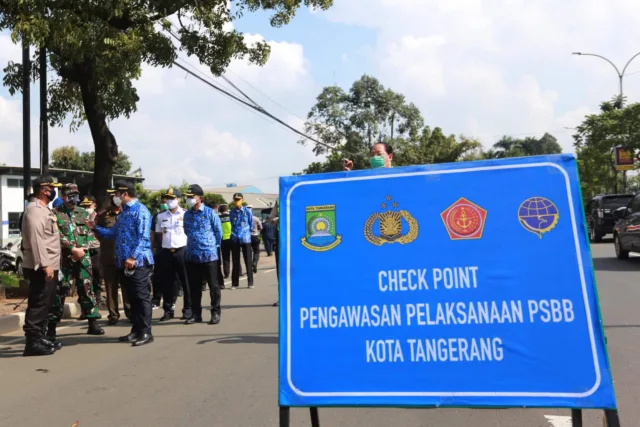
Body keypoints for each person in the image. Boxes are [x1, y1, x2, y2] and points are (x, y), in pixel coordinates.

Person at [90, 180, 155, 346]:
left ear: (125, 194)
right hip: (123, 262)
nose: (115, 197)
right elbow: (114, 233)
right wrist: (95, 228)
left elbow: (144, 238)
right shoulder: (124, 212)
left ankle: (146, 332)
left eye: (116, 194)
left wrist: (133, 257)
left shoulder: (141, 211)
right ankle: (136, 330)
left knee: (141, 298)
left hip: (138, 262)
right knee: (132, 298)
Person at [49, 184, 104, 340]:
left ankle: (92, 322)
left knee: (87, 289)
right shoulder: (55, 214)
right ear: (63, 195)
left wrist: (83, 249)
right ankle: (51, 328)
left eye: (75, 194)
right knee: (60, 291)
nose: (73, 198)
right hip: (64, 259)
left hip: (83, 257)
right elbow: (56, 235)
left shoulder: (83, 213)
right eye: (70, 194)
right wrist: (72, 249)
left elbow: (90, 234)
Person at [21, 176, 62, 356]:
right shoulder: (35, 210)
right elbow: (37, 240)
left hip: (49, 264)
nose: (54, 192)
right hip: (41, 266)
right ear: (45, 190)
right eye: (52, 188)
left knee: (45, 302)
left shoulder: (45, 210)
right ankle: (32, 342)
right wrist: (45, 264)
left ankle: (40, 336)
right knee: (38, 303)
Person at [183, 184, 223, 325]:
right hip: (191, 255)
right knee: (194, 287)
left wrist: (211, 245)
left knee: (213, 286)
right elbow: (186, 231)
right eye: (187, 197)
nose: (188, 199)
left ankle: (215, 312)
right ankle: (196, 314)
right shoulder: (187, 214)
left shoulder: (209, 213)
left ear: (199, 198)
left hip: (209, 255)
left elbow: (219, 232)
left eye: (190, 197)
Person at [155, 188, 190, 322]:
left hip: (182, 251)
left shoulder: (186, 214)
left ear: (179, 200)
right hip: (166, 252)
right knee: (168, 283)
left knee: (186, 282)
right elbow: (158, 234)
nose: (169, 201)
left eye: (172, 198)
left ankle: (187, 309)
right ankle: (168, 310)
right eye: (168, 198)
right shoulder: (161, 216)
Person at [96, 195, 131, 325]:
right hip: (109, 255)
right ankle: (113, 315)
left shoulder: (128, 213)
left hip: (125, 256)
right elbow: (96, 231)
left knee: (127, 286)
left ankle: (130, 312)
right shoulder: (102, 216)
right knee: (111, 287)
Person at [79, 196, 104, 309]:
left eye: (88, 206)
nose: (86, 208)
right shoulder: (79, 217)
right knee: (84, 279)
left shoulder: (99, 218)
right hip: (84, 250)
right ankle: (86, 307)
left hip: (96, 249)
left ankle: (97, 302)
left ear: (94, 205)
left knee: (97, 276)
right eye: (84, 206)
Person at [230, 193, 254, 289]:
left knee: (248, 261)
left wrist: (246, 232)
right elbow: (232, 223)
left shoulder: (247, 211)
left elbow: (251, 224)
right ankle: (235, 283)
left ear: (242, 200)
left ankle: (250, 282)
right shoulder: (232, 212)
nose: (237, 201)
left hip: (246, 238)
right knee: (235, 262)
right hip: (235, 238)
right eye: (235, 199)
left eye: (238, 199)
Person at [150, 201, 168, 307]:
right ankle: (156, 298)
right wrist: (152, 247)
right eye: (163, 201)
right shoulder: (157, 216)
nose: (165, 203)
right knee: (156, 276)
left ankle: (170, 301)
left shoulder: (182, 214)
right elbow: (153, 232)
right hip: (159, 249)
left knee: (171, 277)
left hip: (174, 249)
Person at [269, 199, 280, 307]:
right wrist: (282, 218)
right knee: (281, 270)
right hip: (282, 240)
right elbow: (271, 219)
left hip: (299, 240)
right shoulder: (279, 201)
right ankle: (282, 297)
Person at [218, 204, 234, 278]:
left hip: (223, 239)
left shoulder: (218, 218)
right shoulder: (231, 216)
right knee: (235, 256)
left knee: (225, 257)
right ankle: (238, 271)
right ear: (227, 209)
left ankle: (226, 273)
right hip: (232, 238)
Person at [247, 205, 263, 273]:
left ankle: (249, 265)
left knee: (248, 252)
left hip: (247, 237)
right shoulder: (256, 218)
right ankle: (255, 263)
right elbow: (261, 227)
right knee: (256, 251)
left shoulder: (244, 218)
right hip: (255, 236)